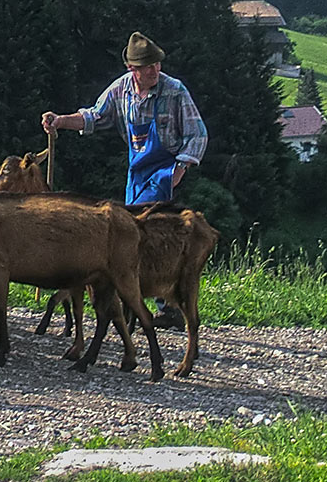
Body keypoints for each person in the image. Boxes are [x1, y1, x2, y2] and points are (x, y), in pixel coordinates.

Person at [40, 31, 207, 329]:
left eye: (156, 65)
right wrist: (61, 121)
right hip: (137, 171)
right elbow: (94, 117)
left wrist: (181, 168)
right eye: (147, 67)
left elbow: (198, 133)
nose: (155, 70)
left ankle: (163, 303)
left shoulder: (175, 91)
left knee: (151, 237)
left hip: (166, 170)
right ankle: (139, 301)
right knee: (132, 235)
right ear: (133, 69)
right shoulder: (121, 90)